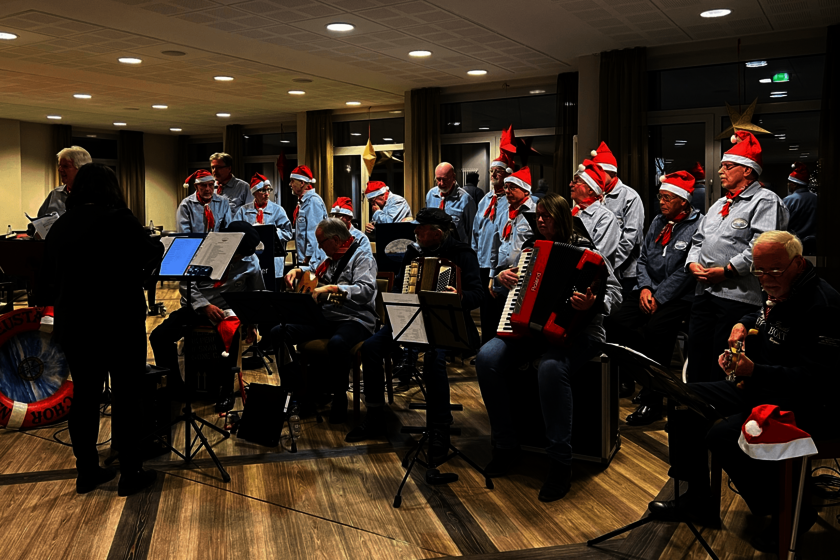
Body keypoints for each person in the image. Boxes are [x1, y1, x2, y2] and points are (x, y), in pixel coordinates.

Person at [649, 231, 840, 553]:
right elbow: (762, 314)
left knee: (723, 435)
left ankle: (792, 512)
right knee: (685, 400)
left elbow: (817, 379)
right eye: (759, 271)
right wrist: (742, 323)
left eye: (773, 271)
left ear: (797, 263)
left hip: (810, 401)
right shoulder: (781, 285)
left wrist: (755, 371)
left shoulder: (824, 306)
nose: (764, 279)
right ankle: (697, 497)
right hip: (762, 385)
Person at [475, 190, 622, 502]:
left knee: (551, 369)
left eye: (547, 216)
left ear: (562, 219)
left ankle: (560, 463)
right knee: (486, 358)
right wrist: (502, 280)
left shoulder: (588, 251)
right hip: (532, 332)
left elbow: (616, 292)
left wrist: (592, 304)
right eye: (537, 216)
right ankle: (505, 445)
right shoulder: (529, 251)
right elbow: (515, 292)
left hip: (582, 333)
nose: (540, 221)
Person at [41, 163, 163, 496]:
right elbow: (152, 253)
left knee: (85, 397)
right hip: (118, 321)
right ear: (111, 188)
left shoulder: (60, 226)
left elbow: (47, 273)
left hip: (75, 324)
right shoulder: (120, 219)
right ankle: (131, 472)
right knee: (126, 396)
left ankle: (87, 471)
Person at [347, 209, 482, 450]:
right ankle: (375, 414)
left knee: (435, 359)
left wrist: (459, 297)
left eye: (420, 228)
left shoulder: (462, 254)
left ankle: (440, 427)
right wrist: (403, 295)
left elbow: (478, 294)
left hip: (447, 322)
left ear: (437, 233)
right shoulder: (413, 252)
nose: (415, 231)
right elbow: (399, 287)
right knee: (371, 348)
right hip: (411, 318)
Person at [685, 131, 788, 383]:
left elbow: (762, 246)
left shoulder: (765, 201)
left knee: (722, 362)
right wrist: (692, 263)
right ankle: (694, 411)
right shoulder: (719, 203)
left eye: (727, 166)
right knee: (697, 354)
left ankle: (719, 413)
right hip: (705, 293)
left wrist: (728, 270)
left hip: (737, 297)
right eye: (721, 166)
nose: (720, 171)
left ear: (748, 171)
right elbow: (698, 239)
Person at [606, 171, 700, 425]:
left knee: (657, 332)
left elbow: (685, 272)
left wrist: (659, 296)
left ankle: (654, 401)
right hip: (648, 290)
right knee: (614, 319)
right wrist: (646, 289)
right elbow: (644, 259)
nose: (662, 202)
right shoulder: (658, 222)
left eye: (667, 197)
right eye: (660, 197)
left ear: (683, 201)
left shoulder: (696, 225)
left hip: (679, 297)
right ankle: (635, 376)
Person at [150, 221, 263, 411]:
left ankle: (226, 391)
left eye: (243, 255)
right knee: (159, 336)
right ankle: (176, 387)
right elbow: (186, 284)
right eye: (238, 253)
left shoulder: (251, 261)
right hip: (197, 307)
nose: (239, 258)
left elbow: (255, 293)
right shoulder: (206, 252)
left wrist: (253, 323)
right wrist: (205, 306)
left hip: (226, 310)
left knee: (231, 336)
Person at [276, 218, 378, 423]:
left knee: (338, 343)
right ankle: (299, 392)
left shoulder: (362, 257)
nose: (319, 247)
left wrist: (333, 289)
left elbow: (365, 291)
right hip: (328, 316)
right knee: (278, 332)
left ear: (336, 240)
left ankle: (339, 397)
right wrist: (298, 271)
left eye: (321, 242)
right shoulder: (330, 258)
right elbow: (315, 273)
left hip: (355, 318)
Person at [591, 142, 644, 290]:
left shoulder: (630, 197)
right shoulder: (595, 195)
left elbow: (630, 238)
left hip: (625, 273)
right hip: (599, 270)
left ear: (613, 173)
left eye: (600, 174)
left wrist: (607, 265)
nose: (596, 178)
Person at [472, 153, 512, 345]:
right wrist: (474, 256)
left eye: (499, 171)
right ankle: (484, 346)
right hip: (482, 261)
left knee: (498, 308)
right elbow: (475, 231)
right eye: (492, 171)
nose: (494, 174)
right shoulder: (485, 200)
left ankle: (497, 347)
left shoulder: (510, 202)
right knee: (484, 309)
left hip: (499, 264)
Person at [233, 173, 293, 279]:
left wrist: (272, 233)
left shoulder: (278, 210)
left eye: (268, 190)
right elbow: (235, 233)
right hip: (250, 260)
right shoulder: (243, 211)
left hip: (272, 260)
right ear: (254, 192)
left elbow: (288, 232)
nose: (267, 194)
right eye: (262, 191)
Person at [491, 167, 536, 298]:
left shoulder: (535, 214)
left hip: (523, 275)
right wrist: (493, 276)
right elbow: (496, 245)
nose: (507, 191)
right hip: (503, 275)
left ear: (525, 190)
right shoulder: (505, 214)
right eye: (506, 187)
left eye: (512, 188)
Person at [569, 160, 620, 265]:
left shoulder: (605, 218)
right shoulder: (571, 213)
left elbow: (598, 257)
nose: (571, 184)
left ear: (591, 190)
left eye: (576, 181)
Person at [289, 165, 328, 269]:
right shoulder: (303, 202)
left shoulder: (313, 201)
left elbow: (314, 233)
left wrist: (307, 258)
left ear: (302, 183)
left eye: (293, 181)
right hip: (305, 259)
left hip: (312, 261)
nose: (290, 184)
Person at [426, 162, 477, 243]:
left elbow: (472, 231)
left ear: (453, 177)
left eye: (445, 179)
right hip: (435, 246)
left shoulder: (466, 200)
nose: (441, 183)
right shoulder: (430, 195)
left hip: (457, 250)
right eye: (438, 179)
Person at [37, 146, 93, 218]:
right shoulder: (55, 193)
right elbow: (40, 219)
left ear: (81, 169)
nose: (60, 170)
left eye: (65, 166)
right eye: (60, 166)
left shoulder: (93, 195)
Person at [782, 161, 817, 242]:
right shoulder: (816, 198)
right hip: (816, 243)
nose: (788, 185)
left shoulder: (789, 200)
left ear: (795, 184)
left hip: (795, 242)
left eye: (789, 182)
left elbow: (782, 223)